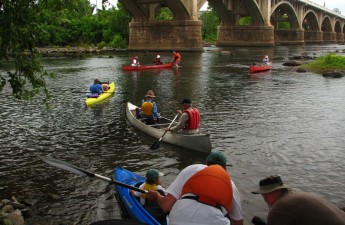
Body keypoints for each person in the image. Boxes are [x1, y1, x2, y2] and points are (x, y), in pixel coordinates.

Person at [147, 151, 244, 225]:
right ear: (225, 168)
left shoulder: (191, 169)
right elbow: (238, 222)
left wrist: (157, 195)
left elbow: (166, 205)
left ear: (206, 163)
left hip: (178, 219)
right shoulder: (231, 185)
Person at [251, 175, 345, 225]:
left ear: (269, 194)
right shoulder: (296, 196)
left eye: (263, 195)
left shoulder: (279, 208)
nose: (265, 199)